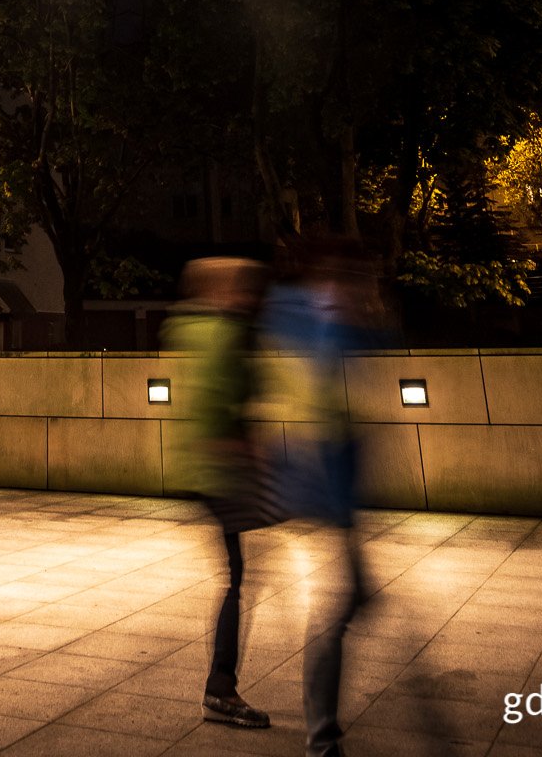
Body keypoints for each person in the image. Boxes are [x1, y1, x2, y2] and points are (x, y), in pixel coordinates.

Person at [264, 238, 381, 757]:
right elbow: (317, 415)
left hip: (325, 490)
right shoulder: (321, 327)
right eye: (359, 282)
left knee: (342, 602)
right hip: (319, 491)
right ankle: (320, 734)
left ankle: (322, 728)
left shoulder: (308, 321)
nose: (366, 292)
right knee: (335, 608)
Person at [169, 256, 272, 732]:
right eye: (244, 288)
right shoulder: (224, 334)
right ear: (224, 290)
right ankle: (221, 688)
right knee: (236, 576)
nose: (251, 297)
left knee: (237, 572)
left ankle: (221, 684)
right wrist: (242, 453)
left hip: (201, 468)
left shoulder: (191, 329)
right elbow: (218, 400)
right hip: (221, 471)